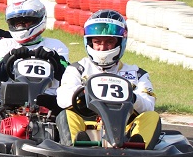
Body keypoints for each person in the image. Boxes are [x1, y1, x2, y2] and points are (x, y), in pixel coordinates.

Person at [56, 9, 160, 147]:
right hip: (88, 126)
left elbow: (149, 105)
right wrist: (84, 93)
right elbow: (62, 99)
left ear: (120, 43)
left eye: (109, 42)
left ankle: (139, 149)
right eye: (97, 42)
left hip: (125, 128)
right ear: (89, 42)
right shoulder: (78, 69)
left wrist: (131, 97)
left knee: (152, 117)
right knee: (66, 115)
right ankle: (76, 147)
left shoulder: (137, 74)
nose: (102, 48)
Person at [0, 0, 69, 112]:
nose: (20, 26)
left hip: (47, 99)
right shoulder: (4, 45)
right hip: (14, 99)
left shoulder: (55, 46)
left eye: (25, 21)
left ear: (39, 19)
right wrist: (9, 57)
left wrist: (53, 57)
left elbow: (68, 75)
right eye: (16, 22)